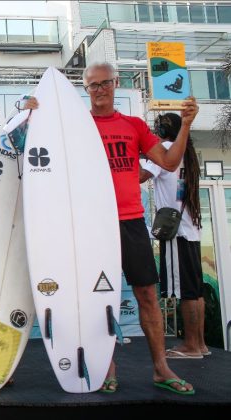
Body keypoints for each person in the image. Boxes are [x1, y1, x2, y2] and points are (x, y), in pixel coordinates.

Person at [81, 62, 199, 395]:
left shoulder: (133, 125)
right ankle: (106, 365)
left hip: (131, 221)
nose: (100, 90)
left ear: (115, 84)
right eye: (93, 85)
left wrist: (186, 124)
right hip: (92, 223)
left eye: (105, 83)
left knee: (147, 295)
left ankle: (161, 369)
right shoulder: (75, 127)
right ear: (85, 88)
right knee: (94, 300)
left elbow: (170, 162)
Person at [140, 112, 209, 359]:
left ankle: (190, 346)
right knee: (196, 290)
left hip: (176, 232)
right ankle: (199, 344)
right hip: (190, 230)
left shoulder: (166, 148)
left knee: (186, 292)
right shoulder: (186, 153)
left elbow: (140, 176)